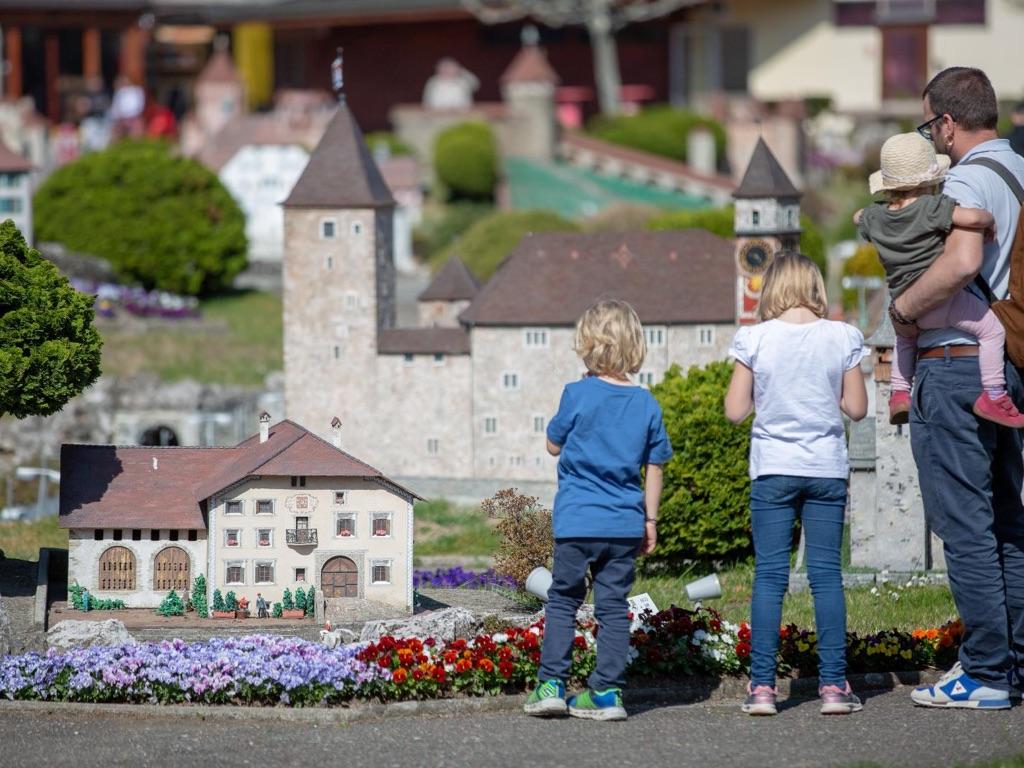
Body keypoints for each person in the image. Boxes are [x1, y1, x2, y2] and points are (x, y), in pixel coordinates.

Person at [889, 67, 1024, 710]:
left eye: (929, 125)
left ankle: (987, 672)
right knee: (1007, 520)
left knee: (966, 525)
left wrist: (905, 309)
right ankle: (1015, 663)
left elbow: (964, 262)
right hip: (1007, 366)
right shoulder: (1019, 171)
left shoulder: (965, 179)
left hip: (955, 365)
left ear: (946, 122)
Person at [724, 252, 868, 716]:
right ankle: (832, 687)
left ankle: (763, 688)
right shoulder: (842, 336)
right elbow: (858, 408)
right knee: (826, 576)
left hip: (773, 468)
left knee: (770, 577)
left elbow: (734, 410)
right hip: (826, 467)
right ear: (815, 286)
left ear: (772, 289)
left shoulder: (755, 338)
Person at [523, 299, 672, 721]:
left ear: (588, 345)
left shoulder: (576, 393)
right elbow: (655, 467)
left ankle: (551, 684)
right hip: (625, 523)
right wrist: (650, 520)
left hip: (576, 521)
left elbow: (553, 444)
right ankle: (606, 693)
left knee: (563, 600)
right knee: (612, 606)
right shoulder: (647, 404)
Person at [854, 132, 1023, 427]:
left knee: (905, 342)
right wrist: (988, 220)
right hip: (942, 301)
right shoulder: (931, 209)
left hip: (905, 305)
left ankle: (899, 394)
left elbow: (858, 217)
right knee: (992, 330)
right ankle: (994, 394)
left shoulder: (875, 218)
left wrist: (872, 214)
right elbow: (971, 219)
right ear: (929, 180)